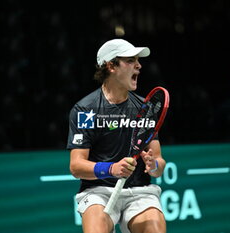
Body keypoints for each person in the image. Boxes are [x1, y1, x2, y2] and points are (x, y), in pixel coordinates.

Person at [67, 39, 166, 233]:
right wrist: (112, 168)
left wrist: (153, 165)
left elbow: (159, 164)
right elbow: (76, 166)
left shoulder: (145, 110)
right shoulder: (86, 110)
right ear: (111, 65)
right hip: (99, 191)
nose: (139, 65)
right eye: (130, 60)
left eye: (138, 60)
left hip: (139, 192)